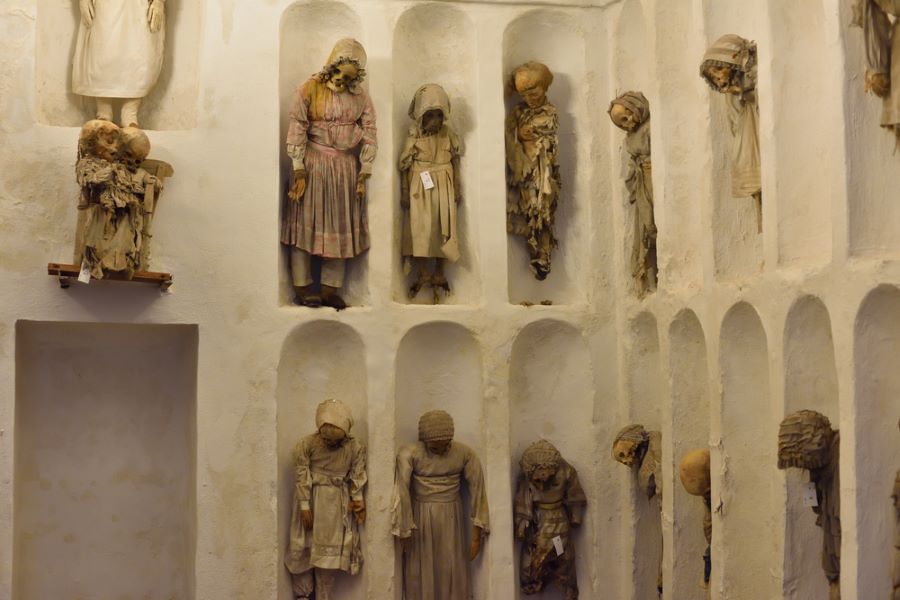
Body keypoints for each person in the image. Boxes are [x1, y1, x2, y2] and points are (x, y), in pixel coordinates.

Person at [283, 38, 377, 310]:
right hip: (312, 166)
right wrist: (298, 167)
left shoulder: (360, 97)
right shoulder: (308, 89)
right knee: (306, 223)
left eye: (348, 77)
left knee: (338, 225)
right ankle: (301, 286)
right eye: (338, 73)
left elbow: (370, 130)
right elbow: (298, 126)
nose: (340, 81)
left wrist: (365, 170)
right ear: (331, 66)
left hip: (344, 171)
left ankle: (329, 289)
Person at [391, 410, 490, 600]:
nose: (440, 451)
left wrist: (477, 534)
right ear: (424, 440)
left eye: (445, 446)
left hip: (452, 515)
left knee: (451, 564)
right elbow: (402, 491)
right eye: (434, 447)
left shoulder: (464, 453)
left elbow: (478, 492)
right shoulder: (410, 453)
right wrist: (404, 529)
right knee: (421, 566)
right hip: (420, 516)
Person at [285, 399, 367, 600]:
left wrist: (357, 503)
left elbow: (357, 475)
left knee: (327, 560)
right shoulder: (306, 444)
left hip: (335, 507)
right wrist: (304, 505)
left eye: (335, 440)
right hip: (311, 502)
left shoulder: (355, 447)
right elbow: (302, 474)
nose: (330, 443)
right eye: (326, 439)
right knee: (302, 547)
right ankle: (302, 595)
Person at [399, 83, 463, 300]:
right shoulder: (414, 134)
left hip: (444, 183)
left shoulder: (448, 134)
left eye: (439, 115)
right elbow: (405, 164)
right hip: (421, 183)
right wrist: (405, 190)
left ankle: (439, 273)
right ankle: (423, 272)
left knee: (442, 226)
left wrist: (457, 185)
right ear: (421, 116)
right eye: (430, 115)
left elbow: (455, 160)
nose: (435, 120)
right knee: (421, 228)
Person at [506, 61, 561, 281]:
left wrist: (522, 131)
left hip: (542, 172)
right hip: (523, 171)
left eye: (534, 92)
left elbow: (539, 131)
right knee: (528, 211)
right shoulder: (519, 112)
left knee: (543, 210)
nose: (530, 99)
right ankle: (535, 250)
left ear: (544, 86)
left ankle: (544, 252)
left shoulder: (549, 112)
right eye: (525, 95)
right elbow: (512, 134)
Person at [777, 410, 841, 600]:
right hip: (833, 543)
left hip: (839, 538)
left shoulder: (839, 457)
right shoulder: (819, 469)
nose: (802, 467)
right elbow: (817, 506)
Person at [73, 0, 166, 126]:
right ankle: (104, 114)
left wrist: (159, 2)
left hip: (140, 6)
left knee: (140, 52)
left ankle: (130, 114)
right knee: (103, 51)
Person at [514, 439, 585, 599]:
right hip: (538, 521)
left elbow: (575, 494)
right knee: (533, 557)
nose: (541, 485)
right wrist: (521, 525)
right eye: (537, 481)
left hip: (559, 519)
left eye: (545, 479)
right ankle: (534, 581)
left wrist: (576, 516)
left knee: (563, 555)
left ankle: (567, 586)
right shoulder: (527, 475)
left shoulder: (566, 470)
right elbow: (523, 500)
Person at [609, 91, 657, 297]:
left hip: (652, 181)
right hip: (641, 185)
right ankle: (649, 273)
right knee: (644, 227)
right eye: (621, 124)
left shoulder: (649, 128)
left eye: (626, 118)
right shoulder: (630, 138)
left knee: (653, 224)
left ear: (636, 108)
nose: (627, 124)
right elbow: (632, 165)